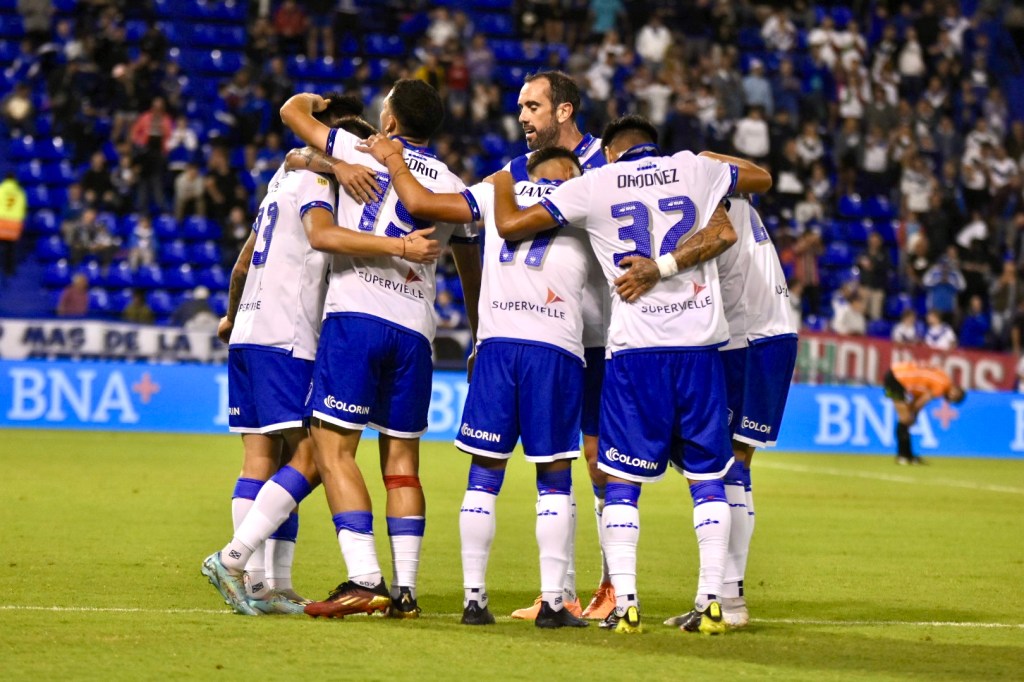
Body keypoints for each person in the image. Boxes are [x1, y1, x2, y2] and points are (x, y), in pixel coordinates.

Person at [492, 114, 772, 635]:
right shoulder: (696, 169)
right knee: (708, 478)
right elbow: (756, 187)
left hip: (636, 351)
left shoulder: (596, 182)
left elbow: (511, 226)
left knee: (621, 481)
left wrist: (505, 178)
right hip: (700, 349)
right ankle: (713, 602)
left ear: (611, 151)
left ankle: (626, 604)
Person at [201, 109, 441, 617]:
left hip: (250, 331)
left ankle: (267, 585)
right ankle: (239, 563)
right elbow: (322, 234)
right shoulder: (316, 181)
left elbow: (242, 264)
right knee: (312, 456)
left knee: (261, 459)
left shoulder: (280, 181)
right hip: (289, 335)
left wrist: (231, 317)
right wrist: (400, 245)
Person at [357, 134, 595, 629]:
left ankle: (473, 600)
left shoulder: (494, 190)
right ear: (569, 174)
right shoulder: (586, 198)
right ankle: (554, 603)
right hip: (554, 347)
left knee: (483, 477)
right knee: (553, 479)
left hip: (497, 348)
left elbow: (420, 202)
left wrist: (393, 157)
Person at [279, 80, 482, 619]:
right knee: (403, 463)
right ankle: (406, 590)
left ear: (389, 121)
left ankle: (364, 577)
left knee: (332, 448)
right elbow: (471, 269)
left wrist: (321, 105)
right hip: (415, 329)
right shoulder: (453, 187)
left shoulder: (360, 148)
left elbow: (291, 112)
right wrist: (479, 332)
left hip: (357, 316)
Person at [501, 70, 611, 622]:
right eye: (521, 107)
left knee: (599, 460)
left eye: (533, 106)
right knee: (554, 460)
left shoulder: (607, 163)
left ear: (564, 111)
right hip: (550, 336)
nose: (522, 116)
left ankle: (613, 586)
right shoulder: (521, 170)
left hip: (602, 336)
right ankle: (558, 592)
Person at [663, 184, 796, 631]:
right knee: (732, 465)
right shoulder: (736, 201)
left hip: (749, 340)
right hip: (765, 335)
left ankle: (730, 599)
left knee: (728, 465)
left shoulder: (710, 204)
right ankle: (722, 595)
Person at [883, 361, 965, 465]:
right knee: (905, 419)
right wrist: (914, 415)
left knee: (906, 419)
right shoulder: (942, 385)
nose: (952, 396)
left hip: (897, 375)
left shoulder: (943, 378)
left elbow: (918, 397)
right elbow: (922, 401)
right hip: (896, 379)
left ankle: (908, 456)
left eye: (955, 398)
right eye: (955, 395)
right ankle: (903, 456)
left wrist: (914, 414)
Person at [0, 172, 27, 277]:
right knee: (11, 248)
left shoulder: (1, 189)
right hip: (14, 223)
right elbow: (23, 208)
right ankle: (9, 270)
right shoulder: (20, 192)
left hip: (2, 221)